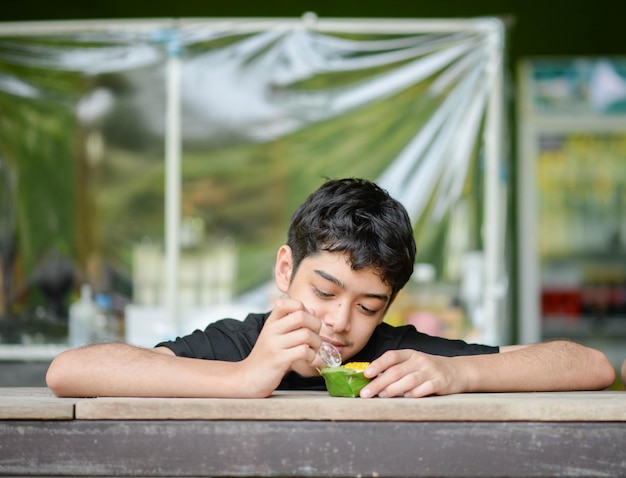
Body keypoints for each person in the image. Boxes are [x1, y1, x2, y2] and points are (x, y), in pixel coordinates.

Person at [46, 178, 616, 398]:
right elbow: (69, 371)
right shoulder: (241, 343)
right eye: (323, 292)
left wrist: (459, 372)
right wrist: (244, 376)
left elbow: (591, 365)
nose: (341, 322)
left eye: (368, 306)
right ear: (284, 269)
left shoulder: (395, 360)